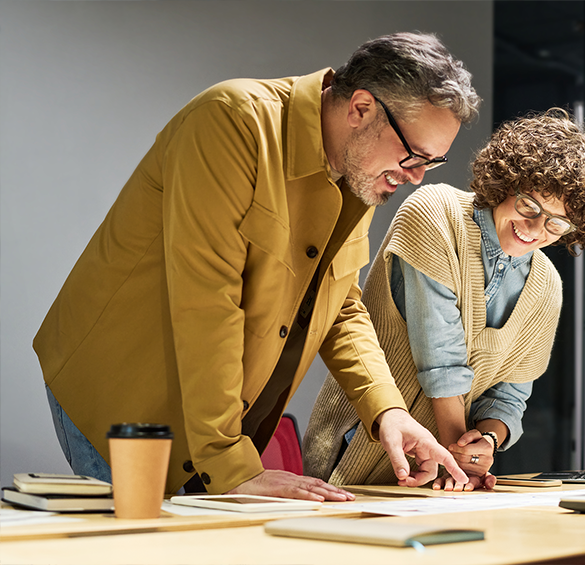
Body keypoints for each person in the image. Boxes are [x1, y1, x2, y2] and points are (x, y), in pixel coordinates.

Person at [33, 32, 482, 501]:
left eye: (430, 163)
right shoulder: (231, 121)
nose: (414, 176)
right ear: (362, 109)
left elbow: (338, 304)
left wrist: (388, 410)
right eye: (413, 155)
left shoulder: (358, 169)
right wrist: (229, 462)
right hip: (125, 393)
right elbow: (207, 301)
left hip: (209, 420)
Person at [303, 109, 585, 490]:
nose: (535, 230)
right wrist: (462, 465)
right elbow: (442, 363)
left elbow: (510, 393)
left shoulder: (547, 285)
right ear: (507, 183)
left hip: (443, 478)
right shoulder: (435, 213)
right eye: (529, 207)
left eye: (556, 223)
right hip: (361, 448)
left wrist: (485, 442)